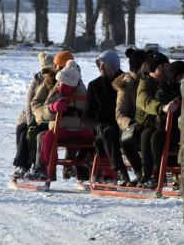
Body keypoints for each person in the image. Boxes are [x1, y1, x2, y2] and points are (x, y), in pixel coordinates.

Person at [30, 62, 94, 183]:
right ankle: (47, 170)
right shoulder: (56, 92)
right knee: (46, 137)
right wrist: (52, 108)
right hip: (62, 130)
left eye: (61, 83)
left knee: (100, 137)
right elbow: (44, 111)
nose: (58, 84)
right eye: (58, 82)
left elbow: (91, 109)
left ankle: (102, 171)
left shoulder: (83, 93)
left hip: (81, 130)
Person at [135, 51, 179, 189]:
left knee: (157, 136)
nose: (166, 69)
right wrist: (162, 107)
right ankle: (146, 172)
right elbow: (145, 101)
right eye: (162, 66)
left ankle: (158, 174)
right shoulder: (145, 83)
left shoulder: (170, 84)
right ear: (154, 68)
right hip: (150, 122)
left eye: (167, 66)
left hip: (168, 126)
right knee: (147, 134)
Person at [82, 50, 127, 185]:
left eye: (104, 65)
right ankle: (122, 171)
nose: (101, 68)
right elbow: (87, 115)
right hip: (104, 128)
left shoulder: (126, 81)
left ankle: (148, 174)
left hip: (125, 125)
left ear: (113, 64)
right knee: (108, 132)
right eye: (100, 64)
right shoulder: (94, 86)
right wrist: (96, 126)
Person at [13, 52, 52, 179]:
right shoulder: (37, 80)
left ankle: (36, 164)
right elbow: (30, 104)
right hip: (30, 115)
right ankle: (21, 164)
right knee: (24, 131)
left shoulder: (55, 81)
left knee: (37, 134)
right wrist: (31, 122)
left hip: (46, 116)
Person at [112, 48, 147, 184]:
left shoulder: (152, 82)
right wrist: (131, 123)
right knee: (125, 138)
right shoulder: (127, 86)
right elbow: (120, 113)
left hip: (150, 124)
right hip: (135, 125)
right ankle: (139, 171)